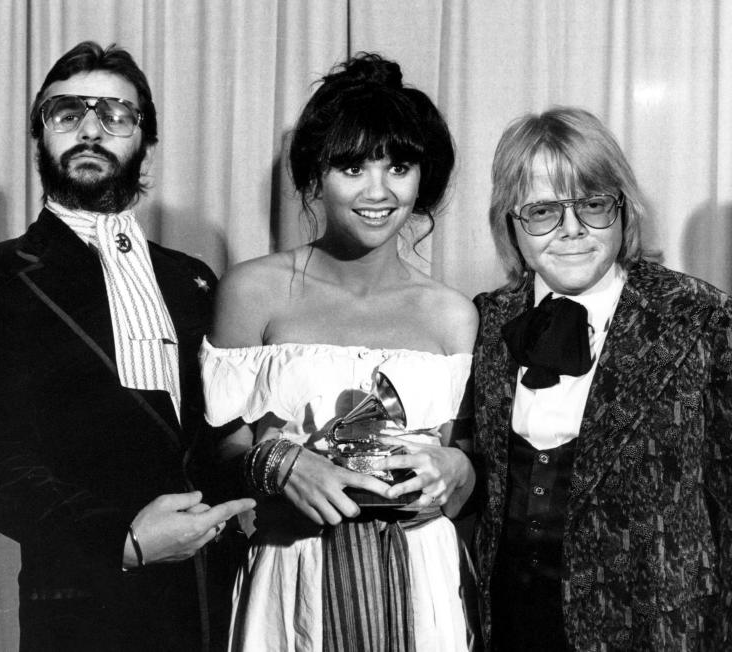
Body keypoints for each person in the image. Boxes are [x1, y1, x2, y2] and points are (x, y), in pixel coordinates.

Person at [0, 41, 254, 651]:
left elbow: (218, 434)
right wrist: (124, 542)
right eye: (66, 114)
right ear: (40, 137)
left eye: (115, 115)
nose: (90, 130)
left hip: (208, 602)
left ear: (145, 142)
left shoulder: (192, 279)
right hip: (82, 604)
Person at [472, 106, 732, 650]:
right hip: (507, 628)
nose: (572, 230)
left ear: (622, 210)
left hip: (655, 632)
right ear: (512, 223)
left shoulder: (703, 318)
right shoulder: (485, 320)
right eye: (544, 211)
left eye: (593, 205)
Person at [201, 53, 479, 651]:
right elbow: (212, 451)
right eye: (351, 166)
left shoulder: (454, 314)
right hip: (292, 577)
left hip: (421, 582)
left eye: (399, 166)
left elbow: (467, 458)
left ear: (422, 178)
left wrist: (461, 469)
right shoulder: (252, 292)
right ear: (314, 176)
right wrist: (279, 462)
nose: (377, 191)